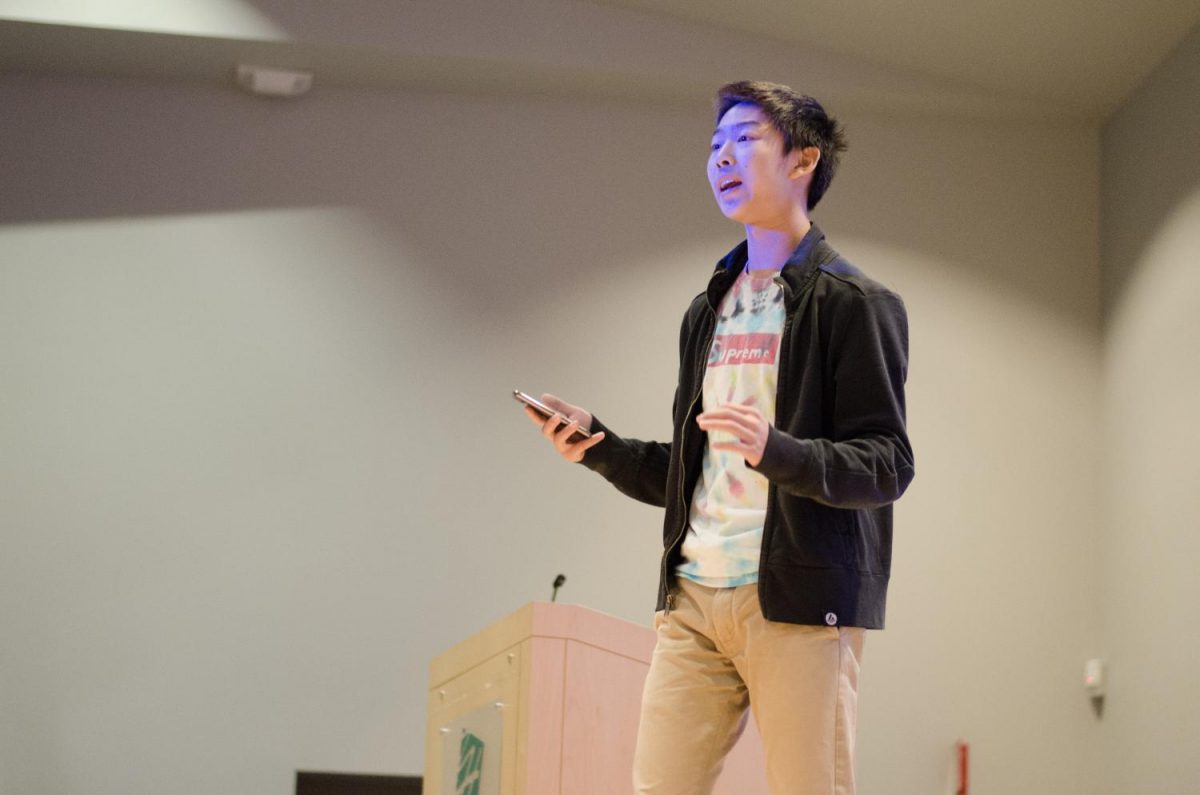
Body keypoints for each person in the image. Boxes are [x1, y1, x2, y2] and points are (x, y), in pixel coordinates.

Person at [524, 80, 914, 795]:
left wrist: (779, 451)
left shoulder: (856, 305)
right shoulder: (708, 309)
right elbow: (693, 468)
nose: (722, 158)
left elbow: (887, 463)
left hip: (797, 603)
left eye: (744, 140)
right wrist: (599, 445)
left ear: (803, 160)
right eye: (714, 146)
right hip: (693, 597)